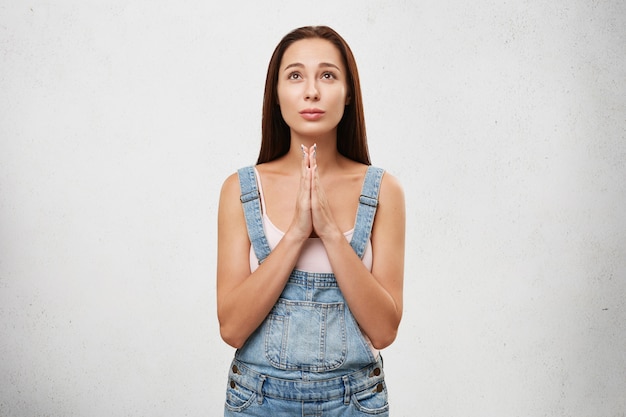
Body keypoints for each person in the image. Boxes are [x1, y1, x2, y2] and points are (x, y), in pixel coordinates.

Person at [216, 25, 405, 416]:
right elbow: (231, 328)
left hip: (354, 403)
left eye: (328, 75)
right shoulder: (240, 189)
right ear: (277, 93)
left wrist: (332, 234)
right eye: (296, 75)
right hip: (257, 402)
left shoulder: (384, 191)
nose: (312, 91)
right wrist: (298, 233)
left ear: (348, 93)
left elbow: (384, 331)